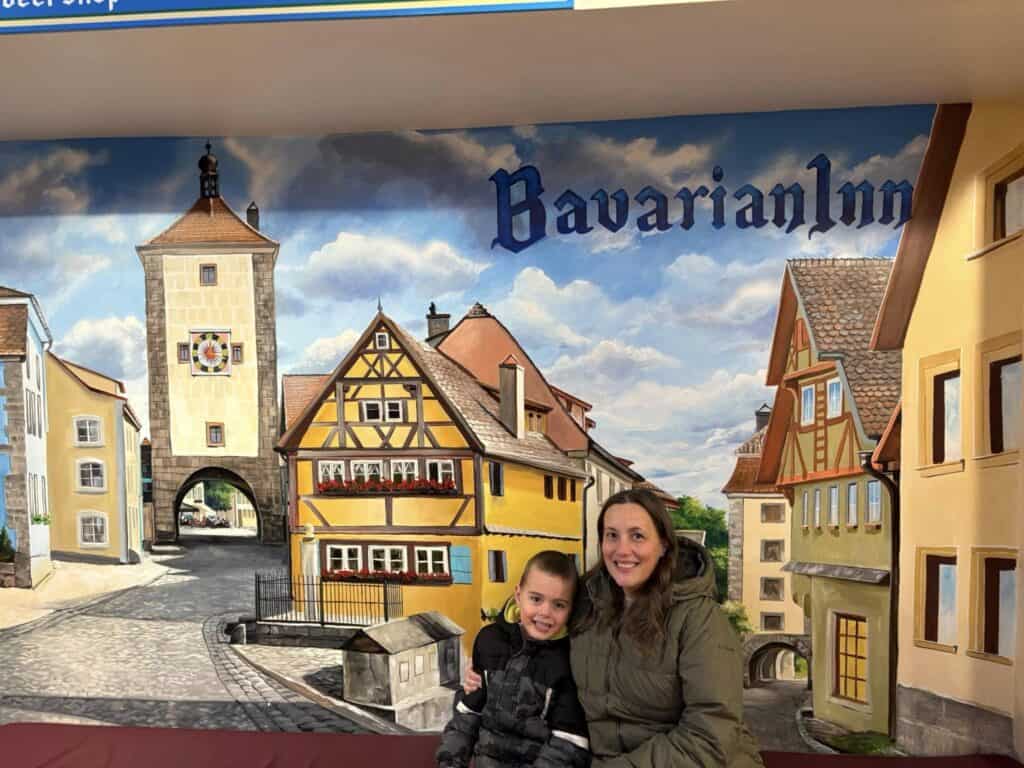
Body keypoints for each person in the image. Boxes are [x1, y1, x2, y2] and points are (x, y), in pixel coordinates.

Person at [465, 489, 765, 768]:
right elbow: (531, 618)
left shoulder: (699, 620)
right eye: (612, 536)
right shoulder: (587, 601)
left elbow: (710, 735)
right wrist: (488, 663)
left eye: (637, 536)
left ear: (663, 545)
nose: (622, 550)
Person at [436, 550, 591, 768]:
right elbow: (467, 715)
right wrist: (450, 762)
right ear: (518, 595)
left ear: (571, 608)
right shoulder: (490, 640)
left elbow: (568, 743)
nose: (545, 612)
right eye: (536, 599)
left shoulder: (569, 661)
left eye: (559, 605)